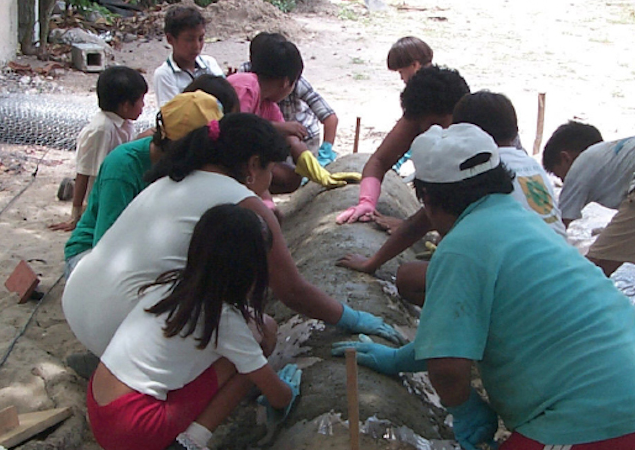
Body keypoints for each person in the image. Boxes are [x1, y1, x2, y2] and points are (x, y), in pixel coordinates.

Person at [334, 123, 635, 450]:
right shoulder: (524, 220)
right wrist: (402, 358)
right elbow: (452, 337)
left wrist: (465, 406)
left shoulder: (463, 247)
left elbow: (448, 367)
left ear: (428, 199)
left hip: (606, 427)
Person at [62, 113, 403, 363]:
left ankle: (109, 361)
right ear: (254, 165)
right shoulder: (243, 202)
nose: (271, 179)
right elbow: (292, 291)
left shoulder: (172, 178)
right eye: (270, 169)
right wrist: (352, 318)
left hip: (80, 305)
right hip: (111, 325)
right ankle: (186, 427)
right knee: (261, 331)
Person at [88, 204, 301, 450]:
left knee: (260, 332)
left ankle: (155, 449)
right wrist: (286, 390)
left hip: (102, 413)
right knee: (247, 361)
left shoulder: (173, 284)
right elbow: (278, 397)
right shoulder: (223, 320)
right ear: (249, 269)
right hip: (134, 430)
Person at [338, 90, 565, 305]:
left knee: (407, 277)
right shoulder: (531, 165)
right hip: (559, 264)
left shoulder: (477, 170)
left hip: (520, 279)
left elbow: (421, 221)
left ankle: (481, 317)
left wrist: (372, 262)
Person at [64, 84, 237, 278]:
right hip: (92, 258)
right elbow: (106, 248)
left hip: (147, 253)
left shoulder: (188, 166)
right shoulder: (122, 168)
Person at [337, 63, 470, 224]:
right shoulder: (417, 117)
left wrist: (406, 227)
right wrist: (367, 202)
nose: (433, 131)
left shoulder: (475, 131)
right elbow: (379, 161)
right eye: (427, 126)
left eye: (439, 124)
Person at [230, 33, 359, 195]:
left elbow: (291, 139)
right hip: (221, 156)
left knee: (291, 179)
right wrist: (280, 127)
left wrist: (318, 172)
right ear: (286, 82)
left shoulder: (269, 105)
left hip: (243, 160)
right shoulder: (245, 85)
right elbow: (236, 127)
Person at [542, 122, 635, 277]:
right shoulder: (609, 154)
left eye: (562, 177)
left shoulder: (580, 165)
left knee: (596, 267)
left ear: (565, 158)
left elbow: (558, 228)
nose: (566, 183)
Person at [49, 65, 148, 233]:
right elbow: (84, 172)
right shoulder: (102, 130)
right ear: (125, 105)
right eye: (140, 100)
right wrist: (76, 215)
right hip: (103, 193)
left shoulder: (125, 123)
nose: (144, 105)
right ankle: (72, 191)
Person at [239, 32, 339, 167]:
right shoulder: (247, 86)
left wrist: (324, 154)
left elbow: (329, 117)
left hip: (302, 136)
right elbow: (241, 126)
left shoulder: (290, 86)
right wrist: (281, 128)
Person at [153, 1, 223, 107]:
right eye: (189, 40)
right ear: (170, 39)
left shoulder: (209, 63)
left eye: (201, 38)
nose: (196, 46)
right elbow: (172, 116)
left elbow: (226, 97)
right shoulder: (165, 75)